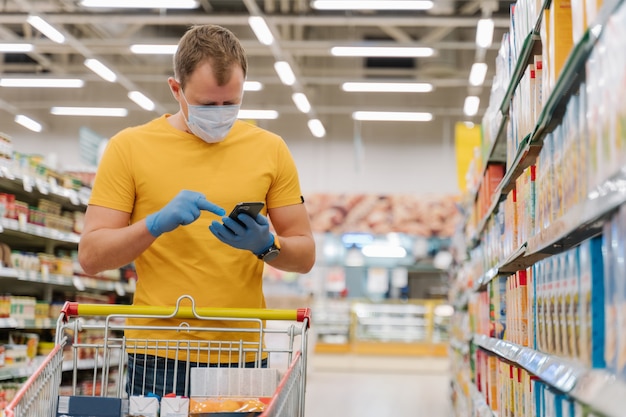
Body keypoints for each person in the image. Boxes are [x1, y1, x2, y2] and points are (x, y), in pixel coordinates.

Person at [77, 24, 316, 396]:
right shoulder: (129, 148)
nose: (220, 115)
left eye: (230, 104)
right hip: (157, 354)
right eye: (207, 105)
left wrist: (267, 244)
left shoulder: (270, 150)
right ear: (176, 89)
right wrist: (153, 225)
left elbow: (304, 255)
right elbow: (91, 256)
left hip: (240, 352)